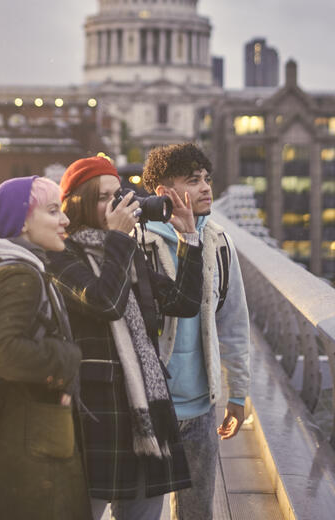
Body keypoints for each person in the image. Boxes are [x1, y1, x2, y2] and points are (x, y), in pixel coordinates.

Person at [46, 155, 204, 520]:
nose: (116, 205)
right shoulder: (60, 255)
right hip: (95, 413)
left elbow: (183, 303)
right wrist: (118, 238)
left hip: (145, 410)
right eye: (104, 197)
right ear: (78, 202)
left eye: (118, 195)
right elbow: (105, 301)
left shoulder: (127, 250)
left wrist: (188, 238)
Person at [0, 176, 91, 520]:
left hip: (2, 442)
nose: (65, 220)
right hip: (24, 455)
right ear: (22, 222)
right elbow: (2, 352)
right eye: (53, 211)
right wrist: (67, 358)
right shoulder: (19, 276)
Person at [141, 143, 250, 520]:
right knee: (138, 513)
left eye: (207, 179)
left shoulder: (219, 243)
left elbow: (234, 322)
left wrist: (238, 393)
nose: (206, 188)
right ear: (164, 193)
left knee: (197, 514)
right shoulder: (137, 242)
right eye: (193, 180)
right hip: (147, 407)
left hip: (202, 408)